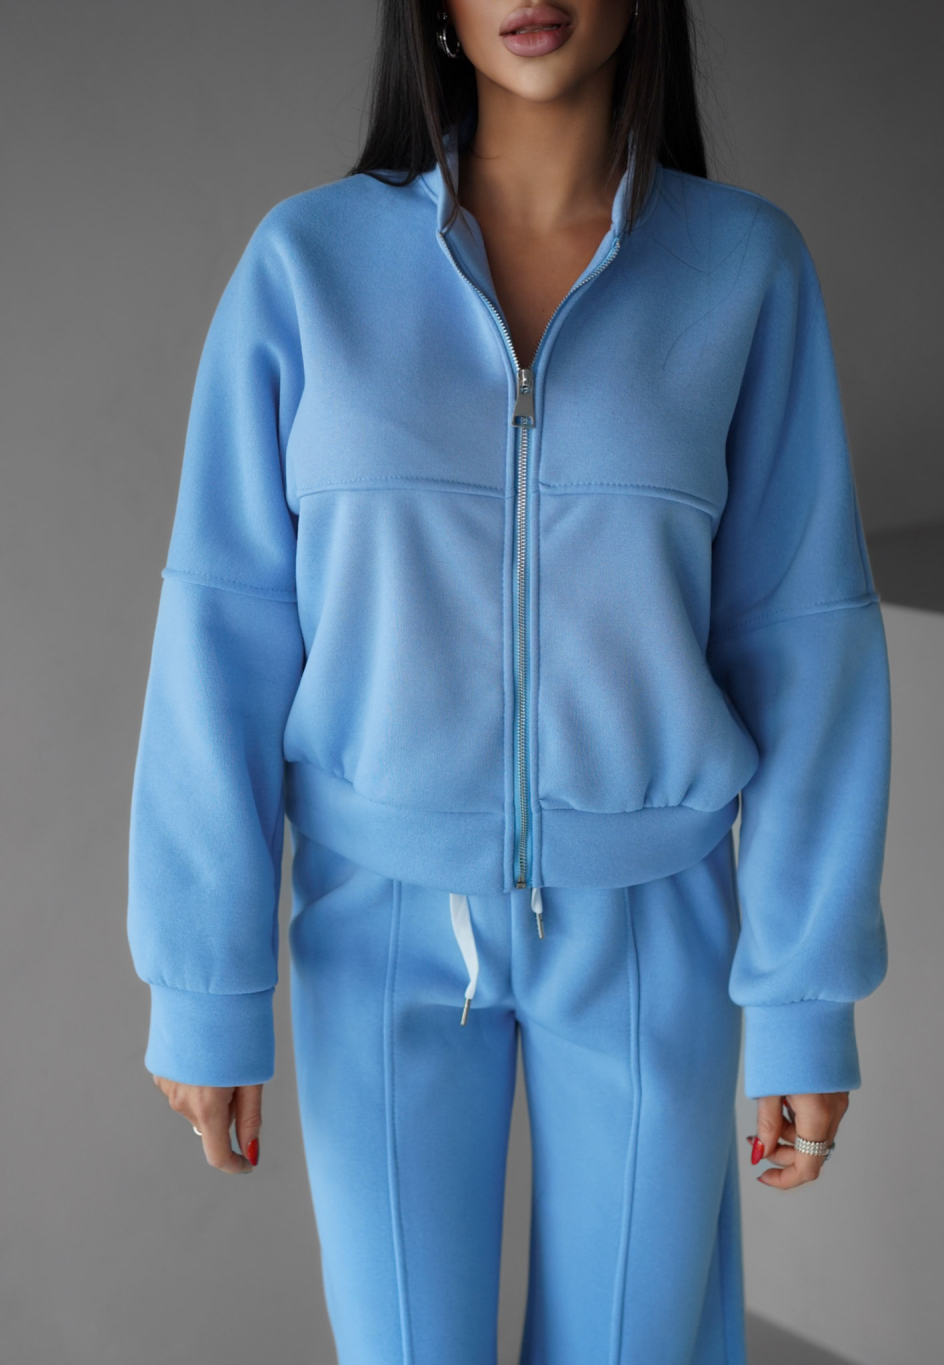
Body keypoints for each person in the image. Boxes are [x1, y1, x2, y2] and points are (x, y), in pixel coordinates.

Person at [126, 1, 891, 1360]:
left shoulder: (744, 270)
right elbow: (221, 630)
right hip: (377, 920)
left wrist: (802, 1002)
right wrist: (205, 982)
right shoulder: (306, 265)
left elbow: (805, 641)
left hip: (652, 922)